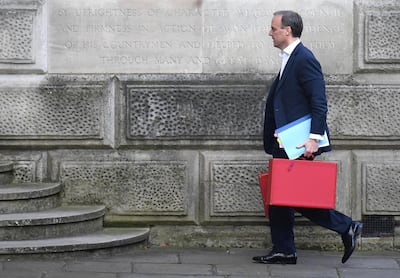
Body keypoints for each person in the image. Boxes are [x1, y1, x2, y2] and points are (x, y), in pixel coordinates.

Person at [252, 10, 363, 265]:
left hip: (299, 143)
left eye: (273, 28)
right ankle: (284, 250)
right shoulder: (290, 58)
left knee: (290, 195)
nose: (270, 32)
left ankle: (346, 226)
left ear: (287, 30)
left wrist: (314, 138)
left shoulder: (304, 59)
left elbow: (319, 102)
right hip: (285, 141)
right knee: (279, 198)